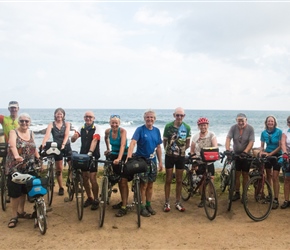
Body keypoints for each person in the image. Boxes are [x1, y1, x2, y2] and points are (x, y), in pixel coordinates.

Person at [5, 113, 41, 228]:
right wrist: (16, 156)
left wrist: (38, 158)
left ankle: (22, 211)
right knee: (15, 192)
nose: (24, 123)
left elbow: (33, 147)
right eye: (22, 121)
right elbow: (12, 145)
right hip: (15, 166)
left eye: (26, 121)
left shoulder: (31, 133)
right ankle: (14, 216)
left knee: (29, 188)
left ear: (29, 122)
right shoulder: (13, 132)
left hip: (29, 166)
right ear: (18, 122)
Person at [127, 109, 163, 217]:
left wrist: (161, 162)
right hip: (141, 161)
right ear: (144, 118)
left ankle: (148, 205)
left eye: (152, 117)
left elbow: (158, 147)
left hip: (152, 161)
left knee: (150, 185)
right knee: (143, 185)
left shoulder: (156, 131)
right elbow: (133, 142)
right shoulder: (140, 130)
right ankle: (142, 207)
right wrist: (129, 156)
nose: (149, 119)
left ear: (154, 119)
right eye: (147, 117)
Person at [163, 107, 191, 212]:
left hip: (181, 157)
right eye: (177, 115)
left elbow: (188, 143)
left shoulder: (187, 127)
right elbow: (165, 141)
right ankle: (167, 202)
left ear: (184, 116)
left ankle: (178, 202)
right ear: (174, 115)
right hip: (169, 156)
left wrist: (180, 151)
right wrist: (170, 150)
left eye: (181, 115)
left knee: (179, 180)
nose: (179, 117)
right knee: (168, 180)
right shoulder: (168, 126)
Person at [71, 111, 100, 210]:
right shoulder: (81, 128)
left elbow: (95, 140)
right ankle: (89, 197)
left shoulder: (96, 128)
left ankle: (96, 199)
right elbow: (73, 139)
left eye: (90, 117)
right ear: (84, 118)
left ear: (94, 118)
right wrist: (74, 137)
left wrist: (91, 152)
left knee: (92, 178)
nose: (88, 118)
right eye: (86, 117)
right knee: (85, 178)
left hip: (93, 156)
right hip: (83, 156)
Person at [41, 108, 72, 196]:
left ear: (63, 115)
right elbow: (47, 135)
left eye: (61, 114)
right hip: (56, 147)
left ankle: (70, 181)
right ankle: (61, 187)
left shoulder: (67, 124)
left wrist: (63, 144)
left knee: (72, 165)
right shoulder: (51, 124)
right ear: (55, 115)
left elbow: (66, 135)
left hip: (66, 145)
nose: (59, 115)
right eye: (57, 114)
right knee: (59, 168)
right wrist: (43, 144)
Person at [225, 113, 255, 202]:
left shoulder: (250, 129)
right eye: (239, 120)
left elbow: (251, 142)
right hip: (236, 154)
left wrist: (245, 152)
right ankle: (237, 193)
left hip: (246, 155)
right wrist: (227, 149)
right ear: (236, 121)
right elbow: (228, 138)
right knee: (237, 174)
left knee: (245, 175)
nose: (240, 122)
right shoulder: (233, 128)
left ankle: (244, 194)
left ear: (246, 120)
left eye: (242, 120)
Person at [104, 114, 129, 217]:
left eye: (116, 123)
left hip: (123, 155)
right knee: (114, 177)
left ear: (119, 123)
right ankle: (121, 200)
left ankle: (124, 205)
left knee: (123, 181)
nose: (114, 125)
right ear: (110, 123)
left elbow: (123, 145)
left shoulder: (122, 131)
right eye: (112, 123)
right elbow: (106, 139)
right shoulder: (108, 131)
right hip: (113, 154)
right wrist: (108, 149)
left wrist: (119, 158)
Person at [190, 117, 218, 207]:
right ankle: (202, 199)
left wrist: (216, 154)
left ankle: (211, 200)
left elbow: (215, 146)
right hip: (199, 161)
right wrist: (194, 160)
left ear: (207, 126)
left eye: (205, 125)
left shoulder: (211, 135)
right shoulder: (195, 137)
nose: (203, 127)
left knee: (211, 181)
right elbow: (192, 150)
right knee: (201, 182)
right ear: (198, 126)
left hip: (209, 161)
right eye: (201, 125)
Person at [260, 115, 282, 209]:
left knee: (275, 177)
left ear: (274, 123)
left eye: (272, 121)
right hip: (268, 154)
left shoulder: (279, 132)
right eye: (269, 121)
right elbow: (262, 145)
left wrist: (271, 154)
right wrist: (261, 152)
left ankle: (276, 199)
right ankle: (270, 195)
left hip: (277, 155)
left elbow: (280, 146)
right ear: (266, 122)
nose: (270, 123)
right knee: (268, 175)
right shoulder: (263, 133)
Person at [280, 116, 290, 209]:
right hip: (288, 157)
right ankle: (287, 200)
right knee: (287, 179)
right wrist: (285, 152)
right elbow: (283, 143)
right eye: (289, 122)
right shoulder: (285, 131)